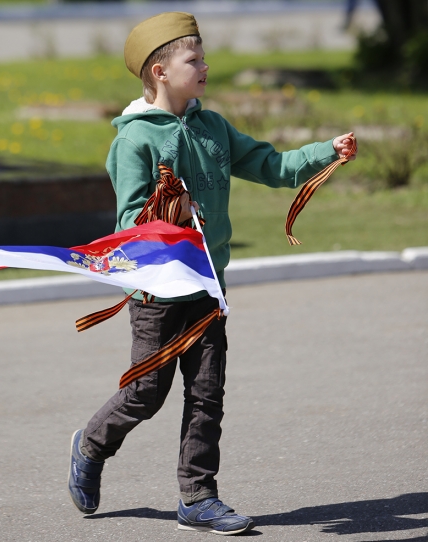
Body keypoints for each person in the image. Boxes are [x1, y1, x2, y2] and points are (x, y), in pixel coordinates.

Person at [68, 11, 357, 536]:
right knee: (146, 394)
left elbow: (269, 165)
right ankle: (90, 445)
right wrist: (164, 208)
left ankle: (198, 497)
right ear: (159, 71)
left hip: (206, 287)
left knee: (207, 393)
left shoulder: (213, 126)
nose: (205, 65)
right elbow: (129, 223)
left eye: (203, 55)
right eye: (192, 58)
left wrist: (324, 153)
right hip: (156, 292)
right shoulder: (134, 142)